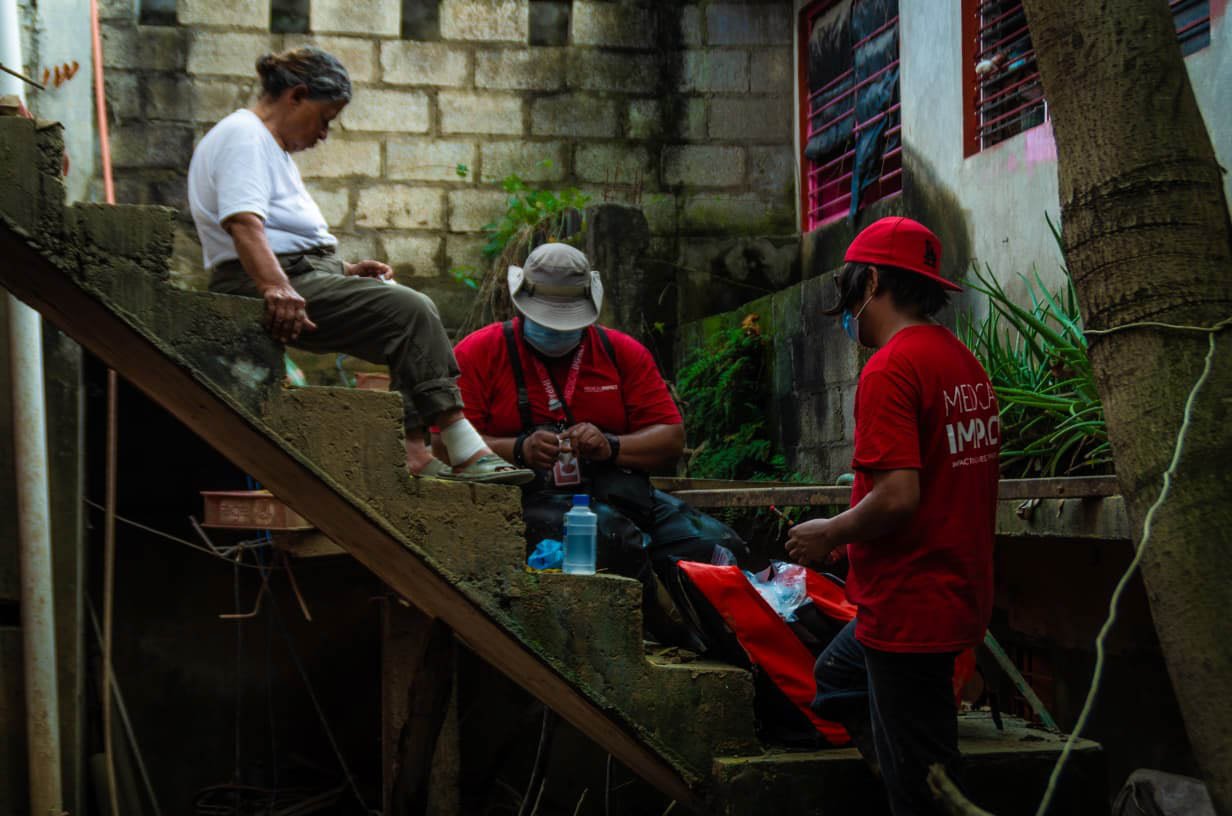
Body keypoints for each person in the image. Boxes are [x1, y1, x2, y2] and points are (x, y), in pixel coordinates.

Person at [187, 46, 530, 485]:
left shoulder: (266, 145)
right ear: (297, 96)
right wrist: (276, 286)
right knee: (411, 311)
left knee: (402, 316)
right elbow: (243, 224)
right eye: (325, 118)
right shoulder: (244, 136)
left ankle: (414, 449)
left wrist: (344, 271)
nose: (324, 134)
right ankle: (458, 445)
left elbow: (280, 234)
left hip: (297, 274)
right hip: (259, 281)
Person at [784, 217, 1000, 815]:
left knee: (930, 790)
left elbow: (899, 496)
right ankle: (897, 765)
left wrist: (830, 532)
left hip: (910, 608)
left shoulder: (890, 368)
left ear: (872, 281)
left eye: (849, 287)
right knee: (838, 677)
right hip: (954, 593)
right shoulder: (961, 362)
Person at [446, 242, 748, 646]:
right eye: (546, 320)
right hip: (525, 499)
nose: (555, 331)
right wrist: (518, 449)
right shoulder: (478, 353)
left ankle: (730, 642)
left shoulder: (620, 353)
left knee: (717, 546)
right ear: (521, 306)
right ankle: (660, 638)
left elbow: (670, 438)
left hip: (618, 490)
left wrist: (611, 445)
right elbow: (445, 445)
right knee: (611, 537)